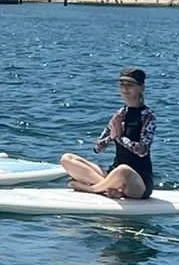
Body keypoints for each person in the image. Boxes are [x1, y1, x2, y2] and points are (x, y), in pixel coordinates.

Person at [60, 68, 155, 197]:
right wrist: (111, 137)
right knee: (67, 159)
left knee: (123, 170)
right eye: (122, 85)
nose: (125, 89)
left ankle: (93, 189)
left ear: (141, 87)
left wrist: (120, 137)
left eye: (130, 85)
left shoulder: (148, 116)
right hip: (113, 175)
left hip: (137, 181)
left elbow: (142, 151)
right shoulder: (119, 115)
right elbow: (98, 148)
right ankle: (107, 187)